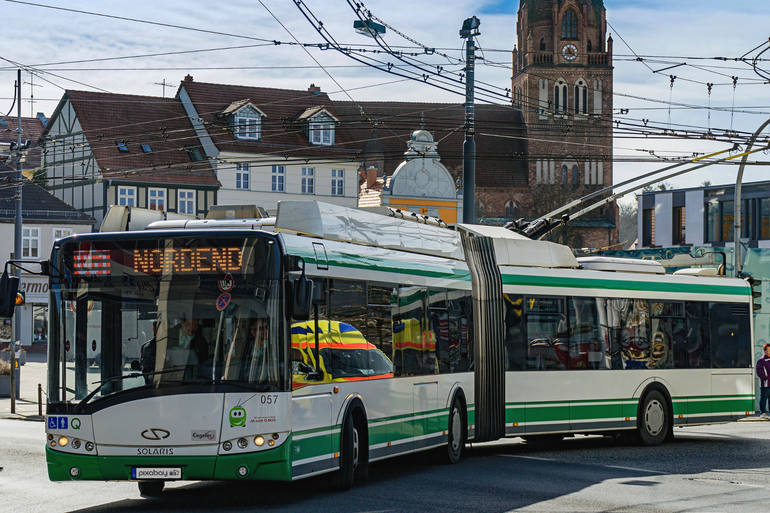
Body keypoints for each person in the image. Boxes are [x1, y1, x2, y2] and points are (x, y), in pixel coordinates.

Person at [756, 342, 770, 419]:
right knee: (764, 398)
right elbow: (759, 372)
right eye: (768, 350)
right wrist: (765, 379)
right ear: (765, 351)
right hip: (765, 384)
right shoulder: (761, 361)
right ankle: (763, 413)